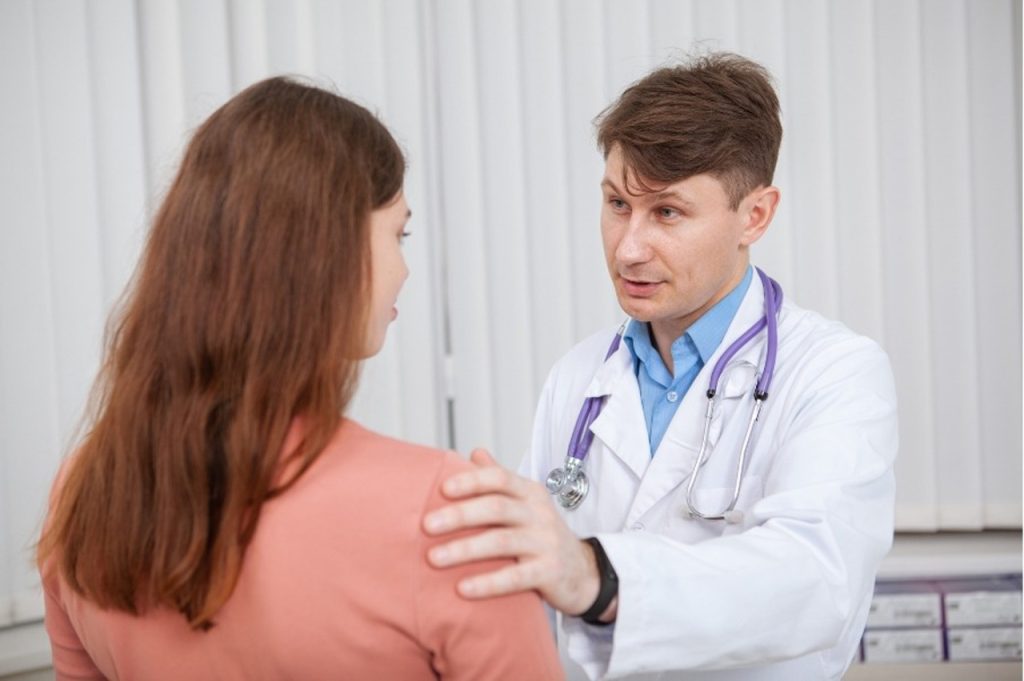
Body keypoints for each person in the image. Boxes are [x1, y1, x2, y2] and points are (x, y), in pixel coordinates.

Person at [37, 77, 563, 681]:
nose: (404, 268)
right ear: (327, 254)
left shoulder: (84, 487)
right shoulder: (447, 514)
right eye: (398, 233)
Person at [423, 53, 898, 680]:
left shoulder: (834, 372)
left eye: (667, 213)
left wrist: (596, 575)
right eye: (618, 204)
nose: (628, 247)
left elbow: (815, 580)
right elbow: (532, 596)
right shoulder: (580, 376)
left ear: (754, 215)